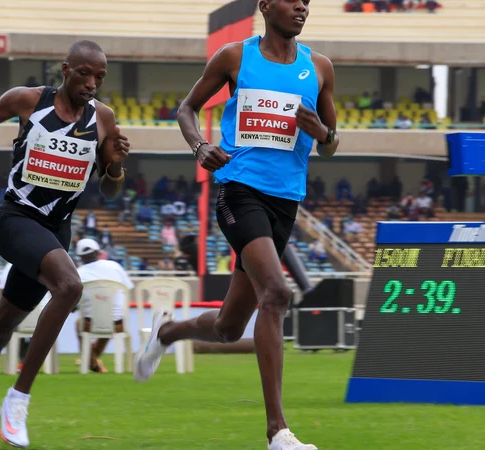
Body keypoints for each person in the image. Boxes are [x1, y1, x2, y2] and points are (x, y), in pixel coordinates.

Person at [133, 1, 339, 449]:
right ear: (265, 5)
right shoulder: (233, 57)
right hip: (238, 189)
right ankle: (277, 432)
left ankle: (167, 332)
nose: (302, 6)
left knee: (229, 327)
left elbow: (332, 143)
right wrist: (199, 146)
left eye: (307, 0)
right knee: (279, 293)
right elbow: (186, 110)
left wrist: (321, 133)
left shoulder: (319, 67)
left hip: (286, 201)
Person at [0, 40, 129, 449]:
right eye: (83, 74)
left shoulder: (103, 118)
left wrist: (114, 167)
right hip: (16, 219)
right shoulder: (29, 101)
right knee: (70, 286)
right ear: (65, 69)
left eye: (99, 78)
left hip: (57, 230)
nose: (91, 84)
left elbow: (110, 191)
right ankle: (18, 398)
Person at [73, 238, 134, 373]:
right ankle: (93, 358)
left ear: (80, 256)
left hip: (91, 323)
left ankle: (91, 361)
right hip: (118, 323)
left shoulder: (78, 273)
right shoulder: (115, 266)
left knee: (79, 323)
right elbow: (127, 289)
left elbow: (75, 303)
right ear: (97, 252)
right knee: (109, 320)